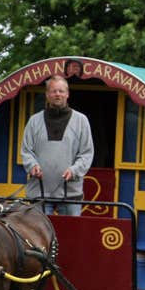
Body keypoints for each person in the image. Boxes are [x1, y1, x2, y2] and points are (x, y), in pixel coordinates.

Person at [20, 75, 94, 216]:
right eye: (53, 91)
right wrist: (32, 166)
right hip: (39, 193)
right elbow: (26, 151)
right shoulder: (34, 121)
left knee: (70, 238)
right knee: (38, 237)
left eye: (61, 91)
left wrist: (74, 170)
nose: (57, 94)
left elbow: (86, 154)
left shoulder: (81, 121)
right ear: (47, 95)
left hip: (70, 194)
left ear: (67, 94)